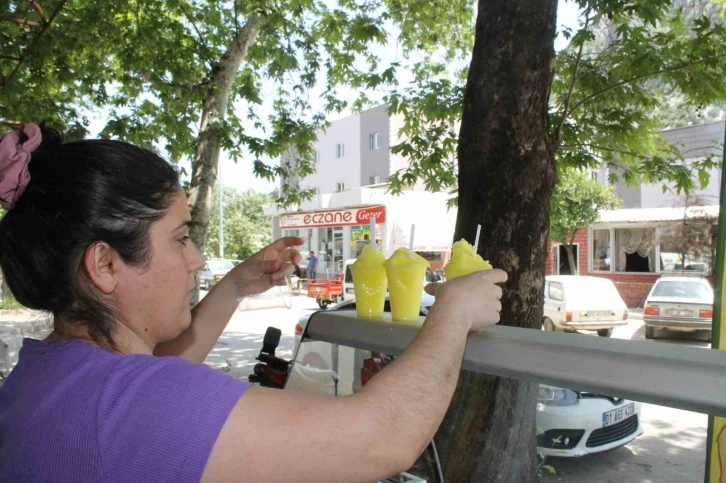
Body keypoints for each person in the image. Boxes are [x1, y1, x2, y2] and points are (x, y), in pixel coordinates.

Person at [0, 124, 506, 483]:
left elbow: (148, 383)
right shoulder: (132, 408)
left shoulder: (47, 379)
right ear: (105, 266)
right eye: (180, 239)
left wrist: (236, 285)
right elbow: (385, 437)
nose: (198, 259)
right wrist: (453, 313)